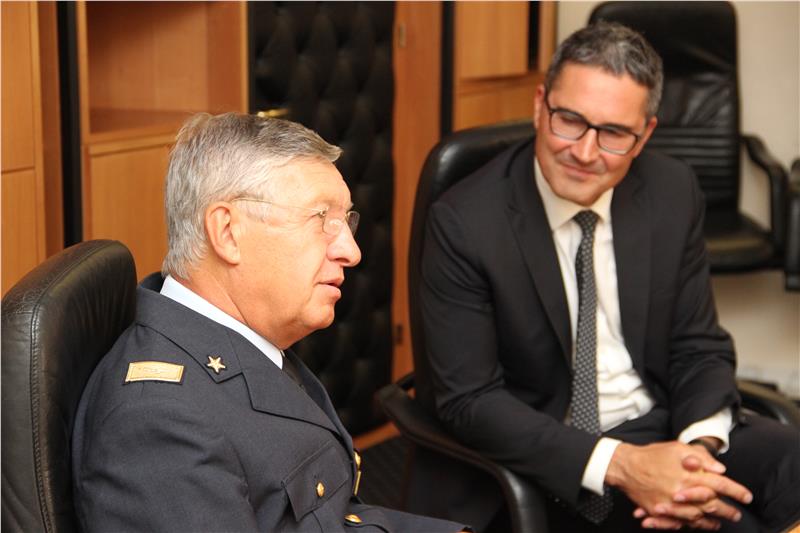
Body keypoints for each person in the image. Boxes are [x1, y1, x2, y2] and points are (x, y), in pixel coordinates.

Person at [418, 22, 800, 532]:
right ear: (540, 106)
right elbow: (469, 401)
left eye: (614, 133)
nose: (584, 152)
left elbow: (698, 345)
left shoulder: (671, 191)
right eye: (569, 120)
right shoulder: (465, 221)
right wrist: (622, 465)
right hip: (551, 456)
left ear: (645, 136)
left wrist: (696, 452)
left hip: (664, 427)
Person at [72, 113, 466, 533]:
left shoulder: (239, 337)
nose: (351, 251)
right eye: (322, 220)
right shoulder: (158, 420)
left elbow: (334, 517)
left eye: (346, 221)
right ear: (227, 232)